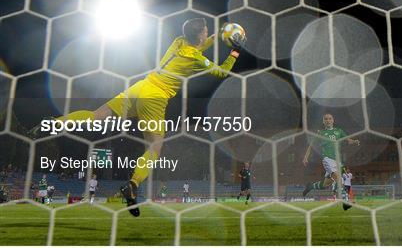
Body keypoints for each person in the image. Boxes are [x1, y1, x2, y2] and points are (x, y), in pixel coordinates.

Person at [29, 19, 246, 217]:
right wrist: (235, 52)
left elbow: (200, 44)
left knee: (96, 116)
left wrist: (217, 35)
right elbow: (221, 72)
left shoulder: (179, 42)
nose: (208, 33)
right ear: (200, 35)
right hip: (155, 98)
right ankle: (132, 184)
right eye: (206, 31)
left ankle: (54, 122)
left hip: (139, 87)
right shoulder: (196, 59)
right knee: (154, 149)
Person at [302, 113, 360, 210]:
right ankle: (345, 202)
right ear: (323, 122)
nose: (328, 120)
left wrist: (354, 141)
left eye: (330, 119)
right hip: (327, 160)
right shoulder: (320, 133)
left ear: (333, 120)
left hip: (338, 161)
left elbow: (348, 140)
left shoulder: (339, 131)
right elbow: (311, 145)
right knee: (339, 179)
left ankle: (311, 186)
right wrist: (305, 157)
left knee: (326, 184)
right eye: (326, 119)